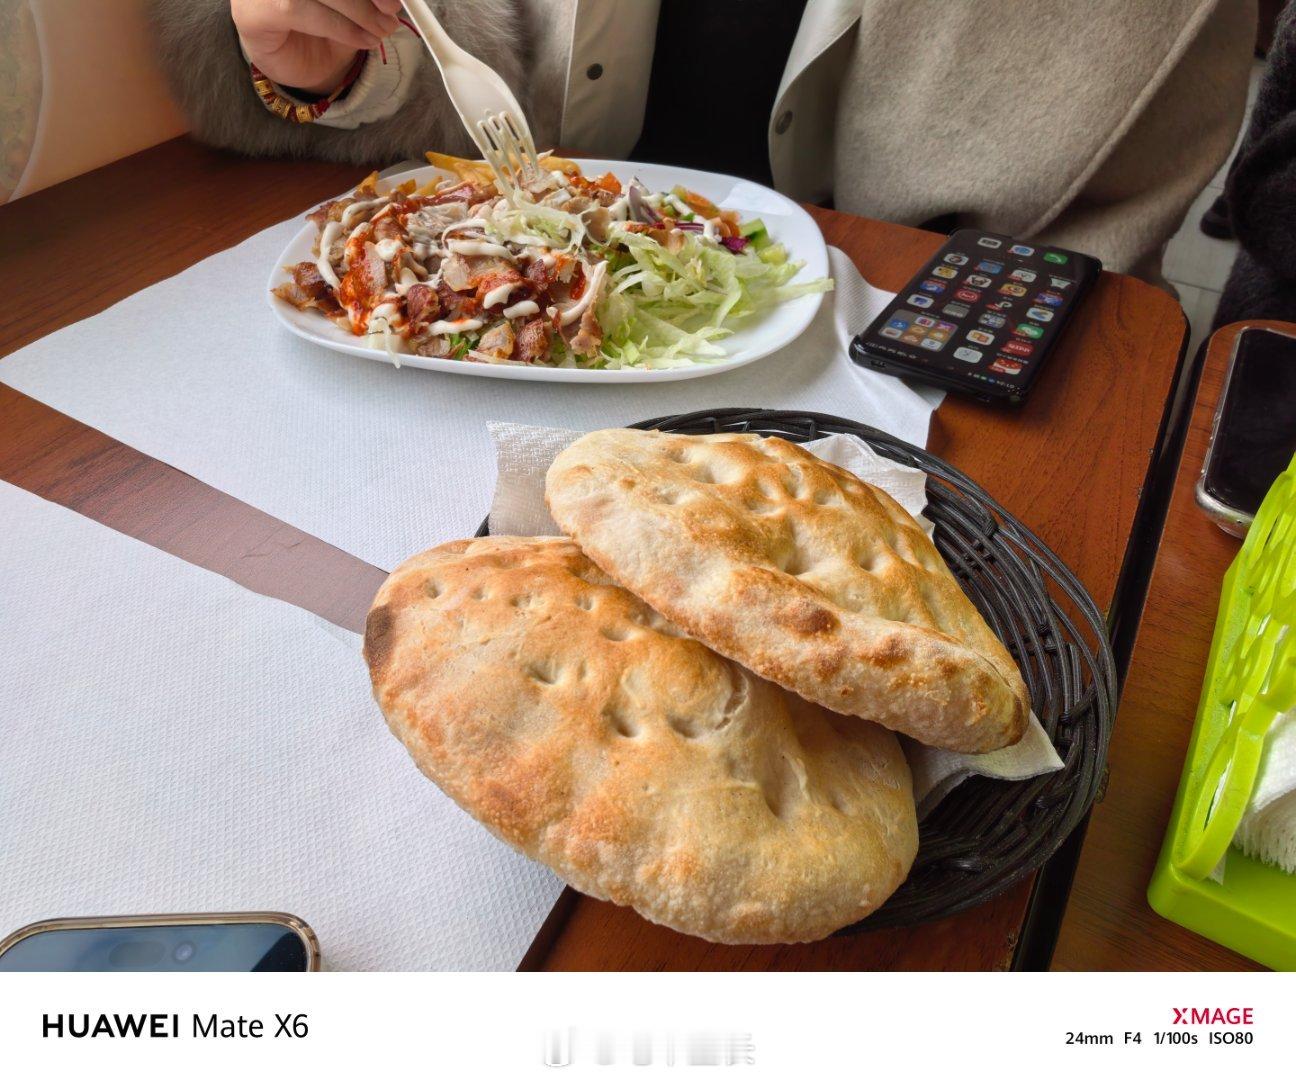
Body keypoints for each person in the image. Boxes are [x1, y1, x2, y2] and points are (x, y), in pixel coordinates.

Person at [149, 0, 1257, 286]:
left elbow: (1086, 254)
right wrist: (325, 67)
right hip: (512, 306)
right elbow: (443, 58)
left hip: (905, 344)